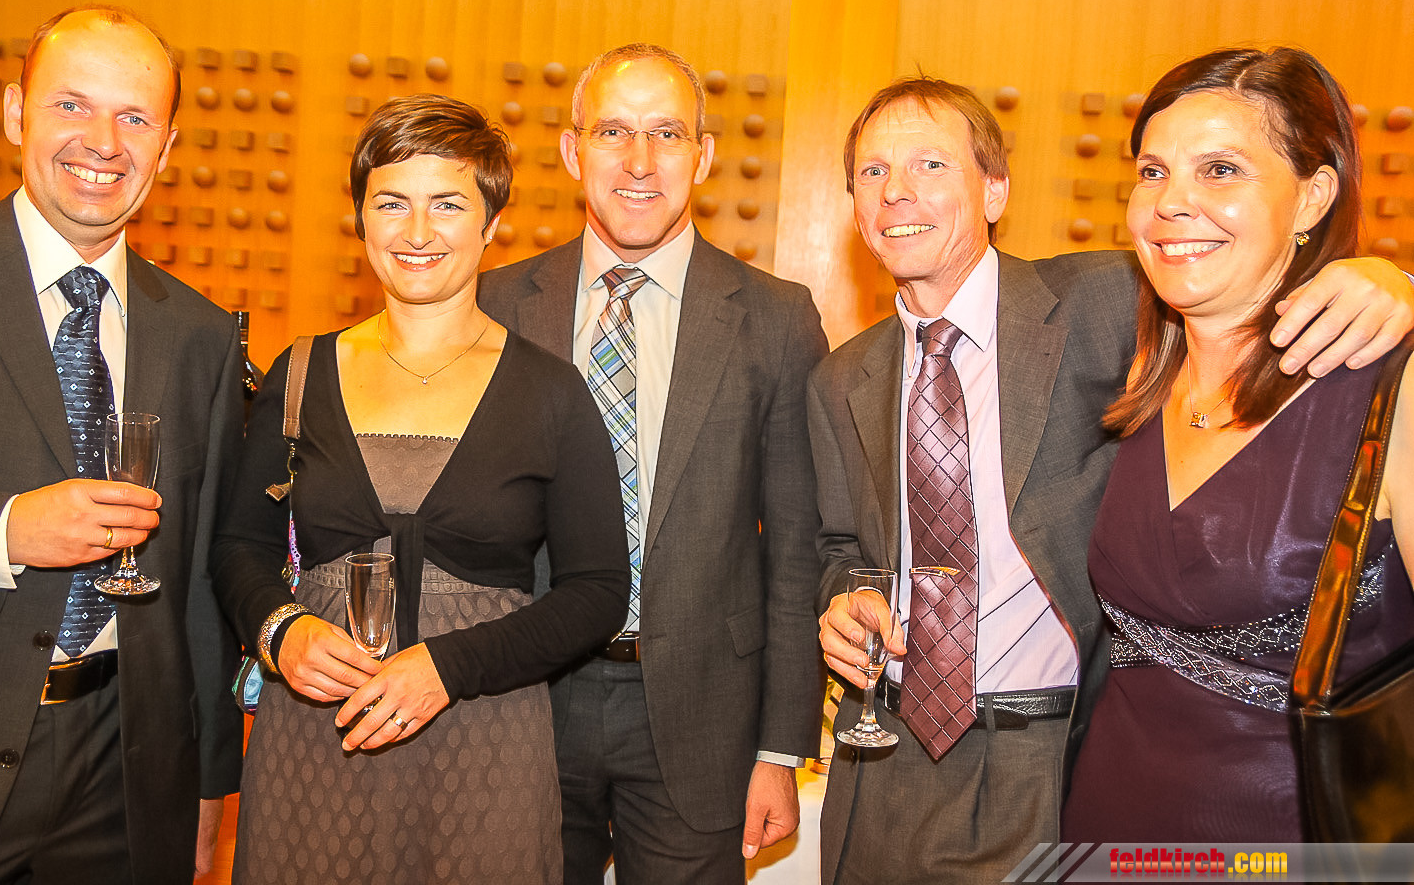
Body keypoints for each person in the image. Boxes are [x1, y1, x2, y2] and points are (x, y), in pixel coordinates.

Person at [813, 75, 1414, 883]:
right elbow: (842, 545)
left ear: (995, 191)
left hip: (1056, 758)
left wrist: (1391, 279)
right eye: (873, 172)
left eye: (929, 163)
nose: (897, 191)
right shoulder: (840, 378)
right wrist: (844, 598)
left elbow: (1252, 277)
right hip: (883, 757)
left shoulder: (1111, 302)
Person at [210, 94, 628, 884]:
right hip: (316, 730)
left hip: (485, 732)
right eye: (392, 203)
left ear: (491, 222)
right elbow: (238, 548)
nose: (417, 232)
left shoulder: (551, 393)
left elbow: (598, 592)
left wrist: (449, 668)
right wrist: (280, 631)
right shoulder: (299, 375)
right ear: (361, 218)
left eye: (448, 205)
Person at [479, 44, 827, 884]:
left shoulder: (776, 321)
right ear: (573, 152)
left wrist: (781, 747)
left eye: (667, 133)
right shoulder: (493, 306)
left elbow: (796, 553)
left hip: (703, 716)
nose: (639, 161)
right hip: (523, 702)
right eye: (614, 132)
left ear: (702, 156)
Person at [0, 6, 243, 883]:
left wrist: (210, 785)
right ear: (16, 112)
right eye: (72, 105)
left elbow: (202, 583)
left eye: (134, 117)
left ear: (166, 149)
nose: (103, 143)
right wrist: (1, 532)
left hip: (127, 778)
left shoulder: (203, 336)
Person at [1062, 48, 1414, 841]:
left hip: (1295, 843)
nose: (1172, 202)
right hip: (1103, 829)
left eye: (1221, 170)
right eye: (1153, 172)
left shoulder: (1389, 390)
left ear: (1313, 196)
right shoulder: (1136, 365)